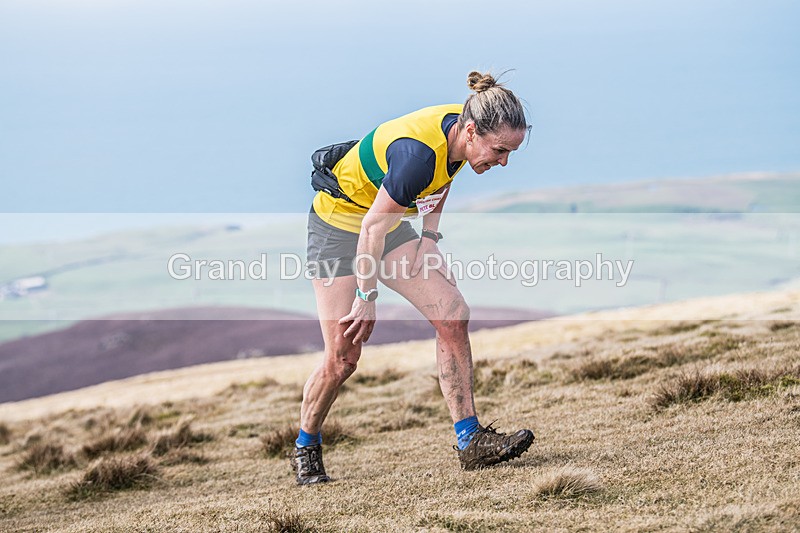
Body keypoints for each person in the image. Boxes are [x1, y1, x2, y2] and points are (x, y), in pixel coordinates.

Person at [291, 71, 535, 485]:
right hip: (339, 227)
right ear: (472, 131)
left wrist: (430, 237)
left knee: (452, 313)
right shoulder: (417, 156)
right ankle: (305, 445)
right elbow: (370, 229)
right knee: (343, 359)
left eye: (511, 152)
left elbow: (443, 180)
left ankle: (470, 440)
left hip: (385, 221)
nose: (503, 162)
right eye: (500, 151)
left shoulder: (461, 137)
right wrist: (366, 297)